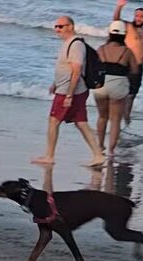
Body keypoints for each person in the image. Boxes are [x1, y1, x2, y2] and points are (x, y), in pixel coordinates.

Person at [32, 16, 105, 167]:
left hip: (70, 91)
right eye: (56, 26)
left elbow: (76, 71)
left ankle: (49, 156)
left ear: (70, 27)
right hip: (69, 89)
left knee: (53, 121)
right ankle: (98, 155)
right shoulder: (68, 43)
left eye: (61, 26)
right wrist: (55, 84)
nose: (57, 29)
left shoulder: (76, 45)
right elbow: (65, 68)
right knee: (81, 123)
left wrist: (69, 95)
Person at [94, 20, 138, 156]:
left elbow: (94, 66)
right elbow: (135, 70)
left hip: (101, 84)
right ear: (124, 35)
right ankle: (111, 150)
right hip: (118, 85)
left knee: (102, 117)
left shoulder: (101, 49)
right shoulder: (127, 52)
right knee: (115, 119)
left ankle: (100, 146)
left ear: (110, 34)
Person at [112, 0, 143, 126]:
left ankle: (126, 118)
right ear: (134, 16)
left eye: (142, 16)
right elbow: (116, 20)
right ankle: (116, 118)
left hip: (139, 67)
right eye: (137, 16)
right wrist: (119, 6)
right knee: (123, 94)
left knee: (132, 95)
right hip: (128, 65)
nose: (139, 18)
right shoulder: (129, 27)